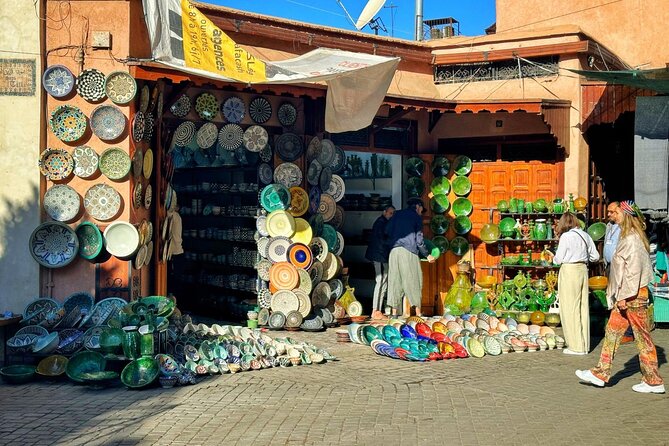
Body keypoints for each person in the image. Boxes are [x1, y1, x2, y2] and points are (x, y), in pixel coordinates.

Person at [576, 200, 665, 394]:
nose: (610, 216)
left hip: (631, 296)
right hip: (628, 295)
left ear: (625, 214)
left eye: (614, 212)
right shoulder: (630, 236)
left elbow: (633, 271)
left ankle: (653, 380)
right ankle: (601, 373)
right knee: (612, 333)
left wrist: (624, 296)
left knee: (642, 338)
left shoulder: (632, 239)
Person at [552, 212, 600, 355]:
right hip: (582, 269)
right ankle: (584, 345)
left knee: (570, 307)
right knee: (582, 306)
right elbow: (595, 257)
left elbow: (558, 259)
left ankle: (575, 346)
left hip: (569, 270)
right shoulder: (585, 235)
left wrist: (553, 256)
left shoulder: (566, 237)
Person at [385, 198, 435, 318]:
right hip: (408, 252)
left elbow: (387, 230)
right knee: (414, 280)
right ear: (418, 206)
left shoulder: (397, 214)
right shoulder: (416, 217)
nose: (421, 213)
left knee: (394, 281)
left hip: (394, 252)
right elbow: (419, 239)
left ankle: (394, 313)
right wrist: (427, 255)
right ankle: (418, 313)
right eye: (422, 210)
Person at [365, 205, 395, 319]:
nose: (392, 215)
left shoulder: (382, 222)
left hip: (381, 256)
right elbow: (382, 241)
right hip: (380, 256)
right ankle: (375, 310)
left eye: (393, 214)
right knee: (381, 281)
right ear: (384, 212)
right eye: (390, 213)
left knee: (384, 283)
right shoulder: (381, 223)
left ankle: (379, 310)